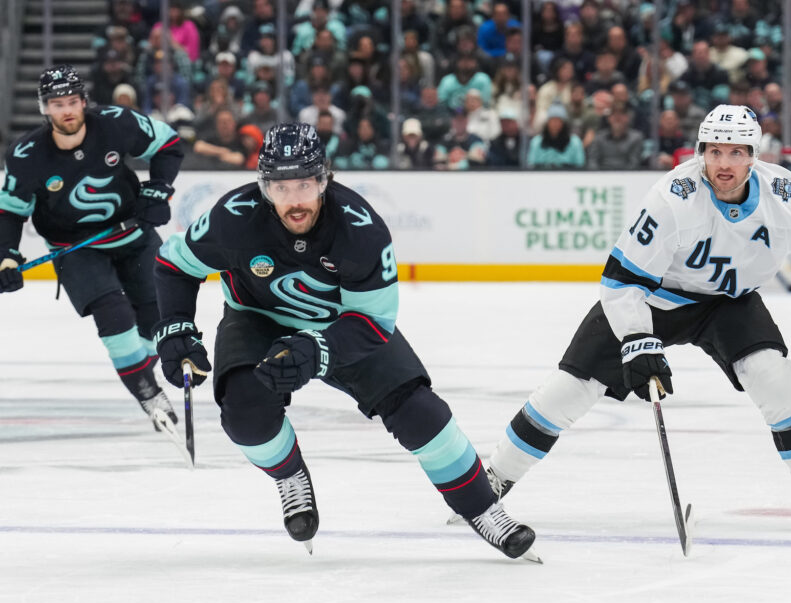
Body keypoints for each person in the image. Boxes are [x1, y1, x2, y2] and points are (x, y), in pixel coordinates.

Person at [484, 104, 791, 529]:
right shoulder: (673, 198)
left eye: (736, 153)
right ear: (701, 151)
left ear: (754, 155)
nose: (723, 164)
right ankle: (492, 480)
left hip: (729, 303)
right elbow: (621, 281)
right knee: (570, 390)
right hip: (654, 300)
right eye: (714, 152)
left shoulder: (786, 196)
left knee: (776, 377)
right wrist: (637, 340)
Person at [151, 122, 538, 560]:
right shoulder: (232, 217)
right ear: (263, 187)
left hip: (344, 325)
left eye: (306, 184)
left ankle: (484, 509)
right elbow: (173, 265)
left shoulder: (361, 230)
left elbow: (374, 322)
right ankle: (290, 476)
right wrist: (176, 328)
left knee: (421, 413)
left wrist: (317, 350)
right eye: (280, 187)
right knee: (244, 413)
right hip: (257, 319)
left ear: (324, 180)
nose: (295, 200)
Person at [0, 65, 186, 443]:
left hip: (133, 234)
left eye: (73, 102)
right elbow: (9, 208)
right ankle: (148, 393)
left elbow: (169, 144)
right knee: (114, 314)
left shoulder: (115, 123)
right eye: (57, 104)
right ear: (44, 108)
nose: (67, 111)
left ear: (84, 102)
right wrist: (6, 255)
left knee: (156, 320)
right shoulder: (28, 154)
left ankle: (141, 373)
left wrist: (159, 189)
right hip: (75, 250)